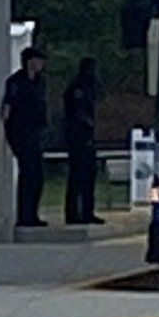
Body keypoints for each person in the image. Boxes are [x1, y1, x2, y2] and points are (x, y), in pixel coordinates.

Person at [0, 45, 48, 230]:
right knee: (28, 172)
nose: (41, 64)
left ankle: (33, 213)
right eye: (38, 60)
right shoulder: (16, 82)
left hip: (36, 131)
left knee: (37, 174)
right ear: (30, 61)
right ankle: (24, 215)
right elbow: (8, 107)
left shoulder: (40, 82)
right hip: (21, 132)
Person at [63, 56, 102, 226]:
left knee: (89, 176)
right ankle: (73, 214)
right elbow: (76, 111)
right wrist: (87, 124)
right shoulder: (78, 87)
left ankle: (87, 212)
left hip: (87, 136)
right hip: (77, 137)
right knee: (77, 176)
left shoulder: (89, 86)